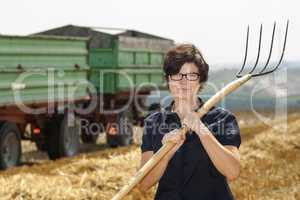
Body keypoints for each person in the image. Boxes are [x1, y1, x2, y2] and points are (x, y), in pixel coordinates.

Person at [138, 44, 241, 200]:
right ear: (168, 79)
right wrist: (165, 154)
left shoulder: (223, 119)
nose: (183, 82)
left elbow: (233, 172)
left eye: (191, 75)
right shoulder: (154, 123)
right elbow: (143, 184)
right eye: (177, 75)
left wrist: (202, 130)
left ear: (201, 80)